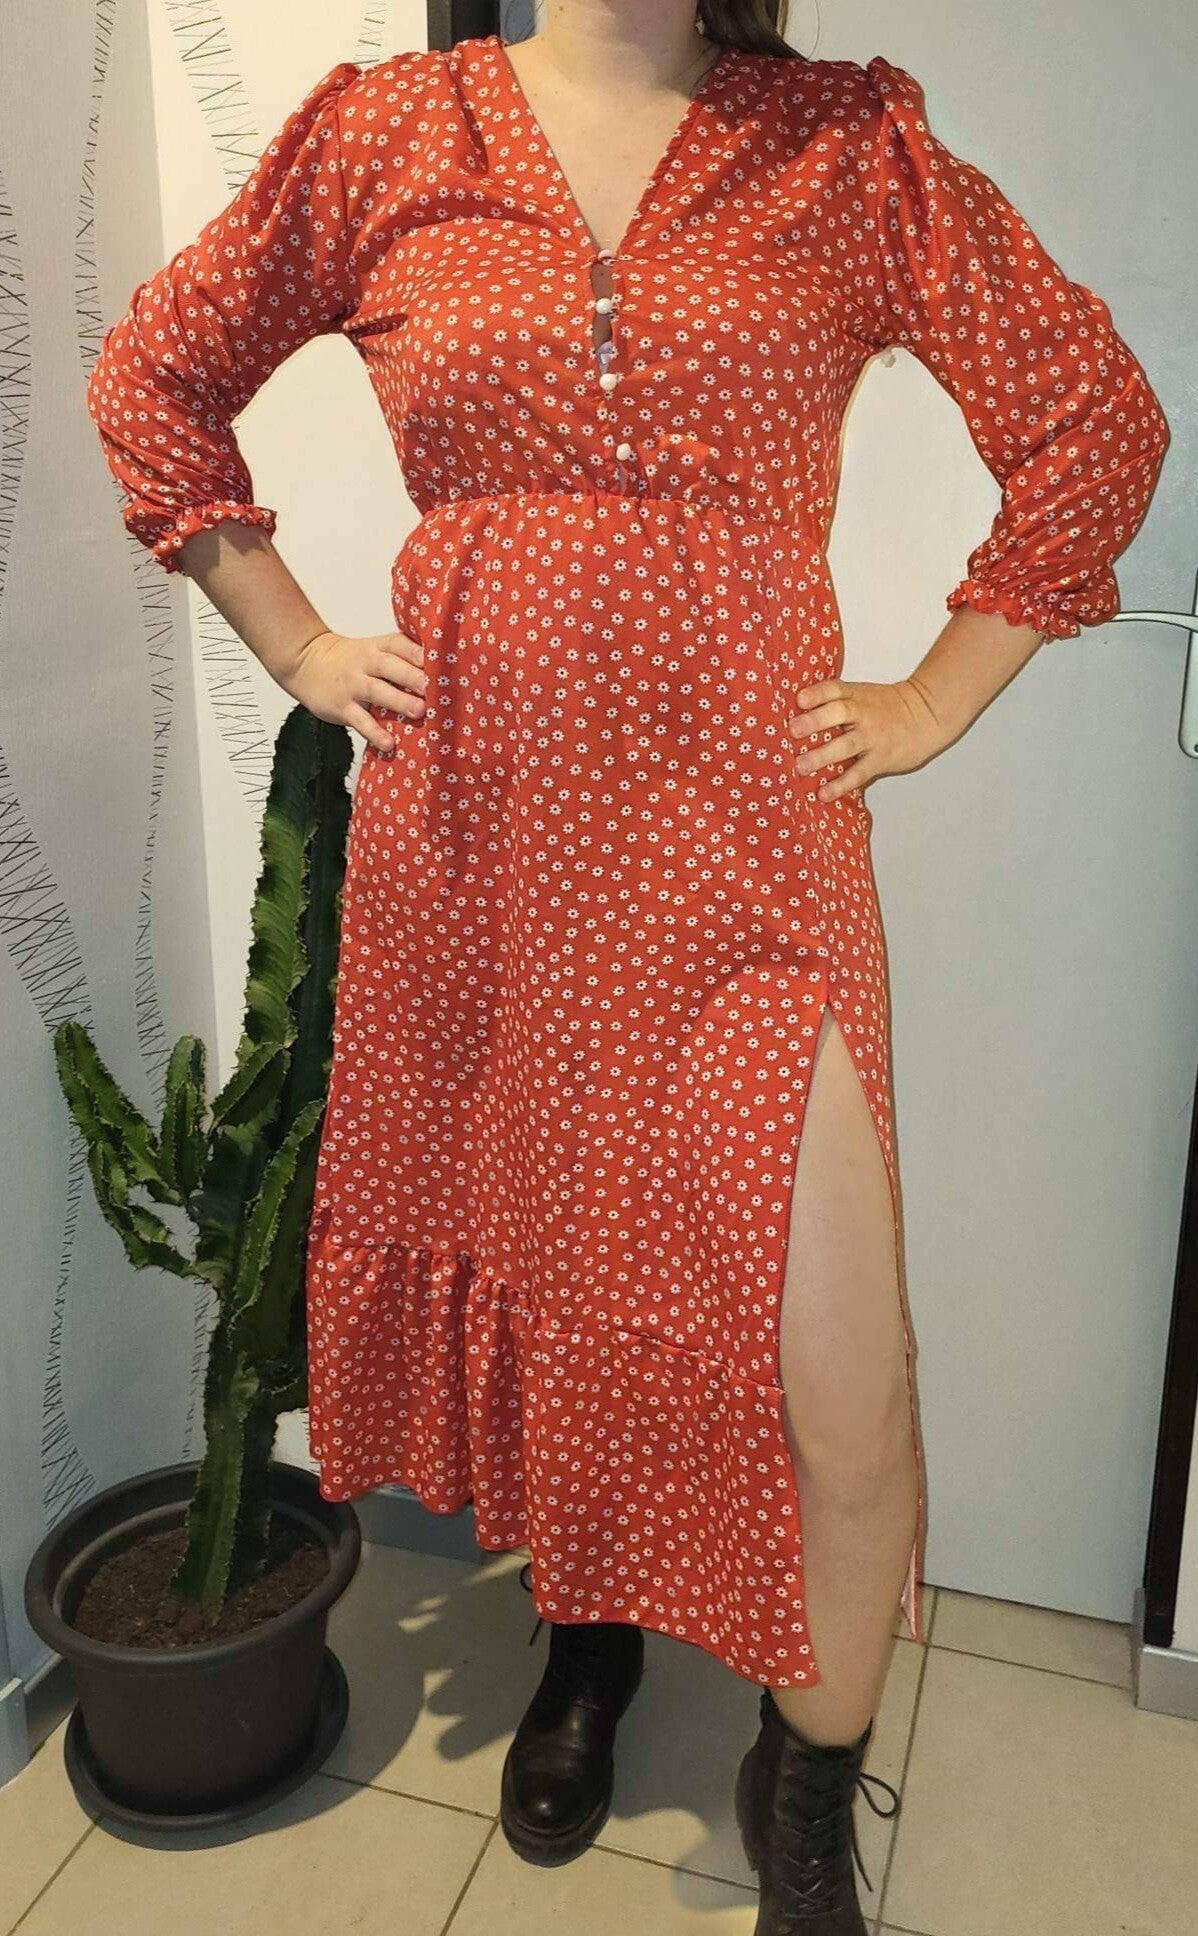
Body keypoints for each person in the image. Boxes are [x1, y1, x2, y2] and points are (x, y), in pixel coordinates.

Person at [84, 4, 1169, 1929]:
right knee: (564, 1280)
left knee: (846, 1376)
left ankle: (805, 1778)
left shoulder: (840, 148)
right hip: (483, 851)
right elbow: (153, 379)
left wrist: (932, 695)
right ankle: (587, 1652)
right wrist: (297, 638)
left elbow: (1095, 424)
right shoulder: (389, 136)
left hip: (746, 855)